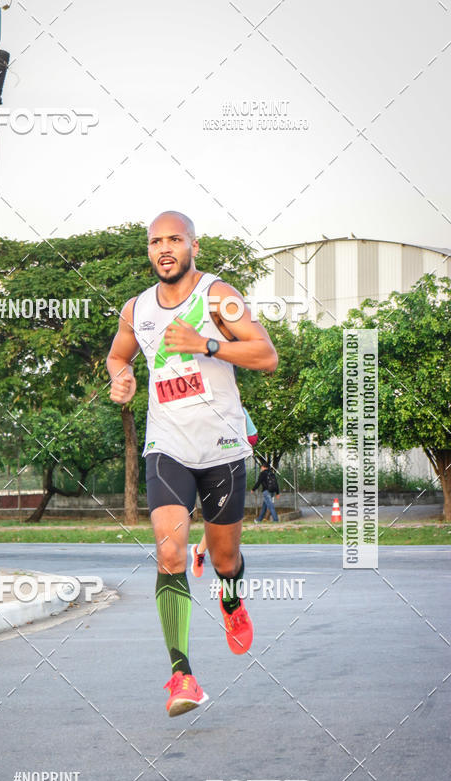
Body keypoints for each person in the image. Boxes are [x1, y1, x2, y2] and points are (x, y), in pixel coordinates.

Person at [107, 210, 278, 717]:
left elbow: (266, 355)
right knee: (169, 554)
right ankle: (182, 675)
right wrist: (121, 378)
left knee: (225, 560)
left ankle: (231, 599)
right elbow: (118, 356)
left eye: (174, 239)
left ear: (193, 246)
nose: (165, 248)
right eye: (155, 241)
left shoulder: (218, 296)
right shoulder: (136, 309)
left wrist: (206, 344)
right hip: (168, 447)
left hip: (222, 449)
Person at [190, 408, 258, 578]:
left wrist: (235, 439)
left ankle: (200, 553)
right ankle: (201, 553)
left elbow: (253, 437)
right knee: (217, 521)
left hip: (230, 469)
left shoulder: (236, 407)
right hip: (206, 468)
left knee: (221, 521)